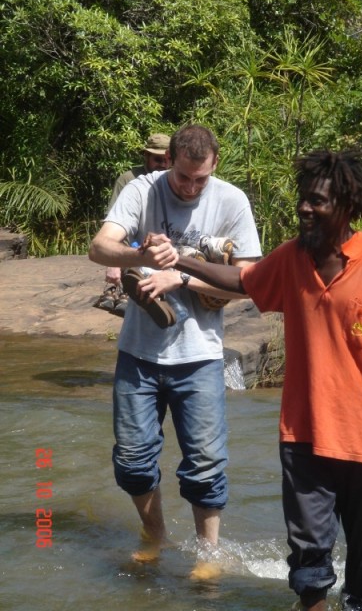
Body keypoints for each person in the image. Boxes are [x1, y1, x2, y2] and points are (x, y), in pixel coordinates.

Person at [162, 149, 362, 610]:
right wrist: (182, 262)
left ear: (345, 206)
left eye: (316, 201)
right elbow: (243, 279)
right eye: (303, 199)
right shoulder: (292, 258)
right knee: (308, 563)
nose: (304, 208)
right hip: (303, 436)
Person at [88, 124, 262, 572]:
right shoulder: (144, 190)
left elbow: (250, 283)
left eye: (199, 179)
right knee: (131, 461)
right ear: (170, 163)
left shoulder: (232, 201)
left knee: (204, 465)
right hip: (138, 352)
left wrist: (182, 275)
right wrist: (143, 256)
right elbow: (100, 248)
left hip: (200, 354)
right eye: (182, 177)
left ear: (214, 164)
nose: (190, 187)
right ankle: (155, 534)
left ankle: (208, 554)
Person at [94, 132, 171, 316]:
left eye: (166, 160)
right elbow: (114, 222)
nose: (162, 165)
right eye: (157, 159)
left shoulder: (174, 180)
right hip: (132, 244)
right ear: (146, 156)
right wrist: (113, 262)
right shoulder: (129, 179)